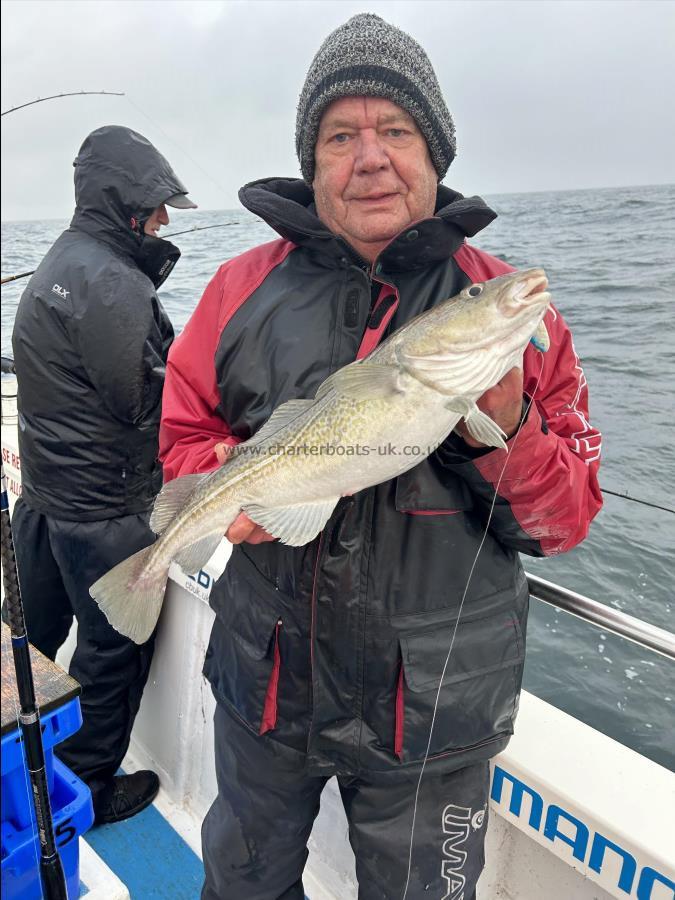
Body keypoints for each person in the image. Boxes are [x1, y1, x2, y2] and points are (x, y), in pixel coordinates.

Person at [160, 14, 602, 899]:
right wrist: (234, 484)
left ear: (433, 152)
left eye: (395, 130)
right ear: (311, 161)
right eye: (340, 136)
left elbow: (564, 522)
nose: (370, 157)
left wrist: (508, 426)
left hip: (437, 711)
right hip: (267, 685)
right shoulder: (238, 289)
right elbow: (180, 441)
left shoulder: (508, 311)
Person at [9, 124, 197, 825]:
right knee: (112, 656)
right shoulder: (117, 286)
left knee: (33, 642)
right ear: (127, 203)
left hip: (44, 503)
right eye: (157, 208)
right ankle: (84, 790)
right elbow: (146, 405)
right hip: (104, 515)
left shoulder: (59, 260)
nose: (166, 221)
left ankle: (21, 764)